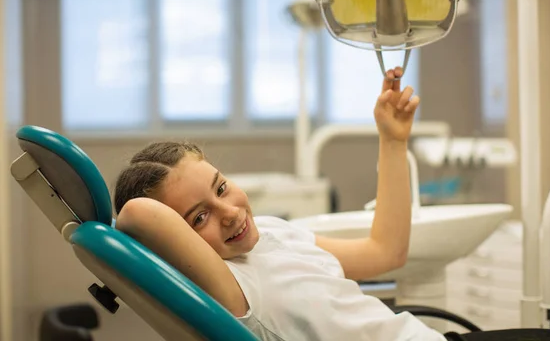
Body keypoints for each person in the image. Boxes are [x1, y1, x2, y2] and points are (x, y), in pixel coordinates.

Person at [113, 67, 445, 340]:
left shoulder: (272, 232)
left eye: (222, 187)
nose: (229, 213)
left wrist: (392, 141)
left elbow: (386, 252)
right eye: (200, 218)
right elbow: (138, 214)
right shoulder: (230, 290)